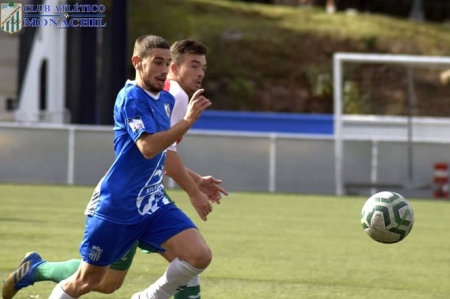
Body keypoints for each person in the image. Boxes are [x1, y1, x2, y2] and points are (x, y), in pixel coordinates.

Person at [2, 38, 223, 299]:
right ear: (137, 63)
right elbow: (148, 147)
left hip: (151, 202)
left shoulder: (165, 98)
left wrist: (194, 181)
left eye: (166, 63)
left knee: (198, 256)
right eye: (158, 62)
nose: (164, 69)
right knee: (92, 281)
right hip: (118, 206)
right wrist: (187, 129)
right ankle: (38, 270)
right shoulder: (133, 97)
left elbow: (165, 154)